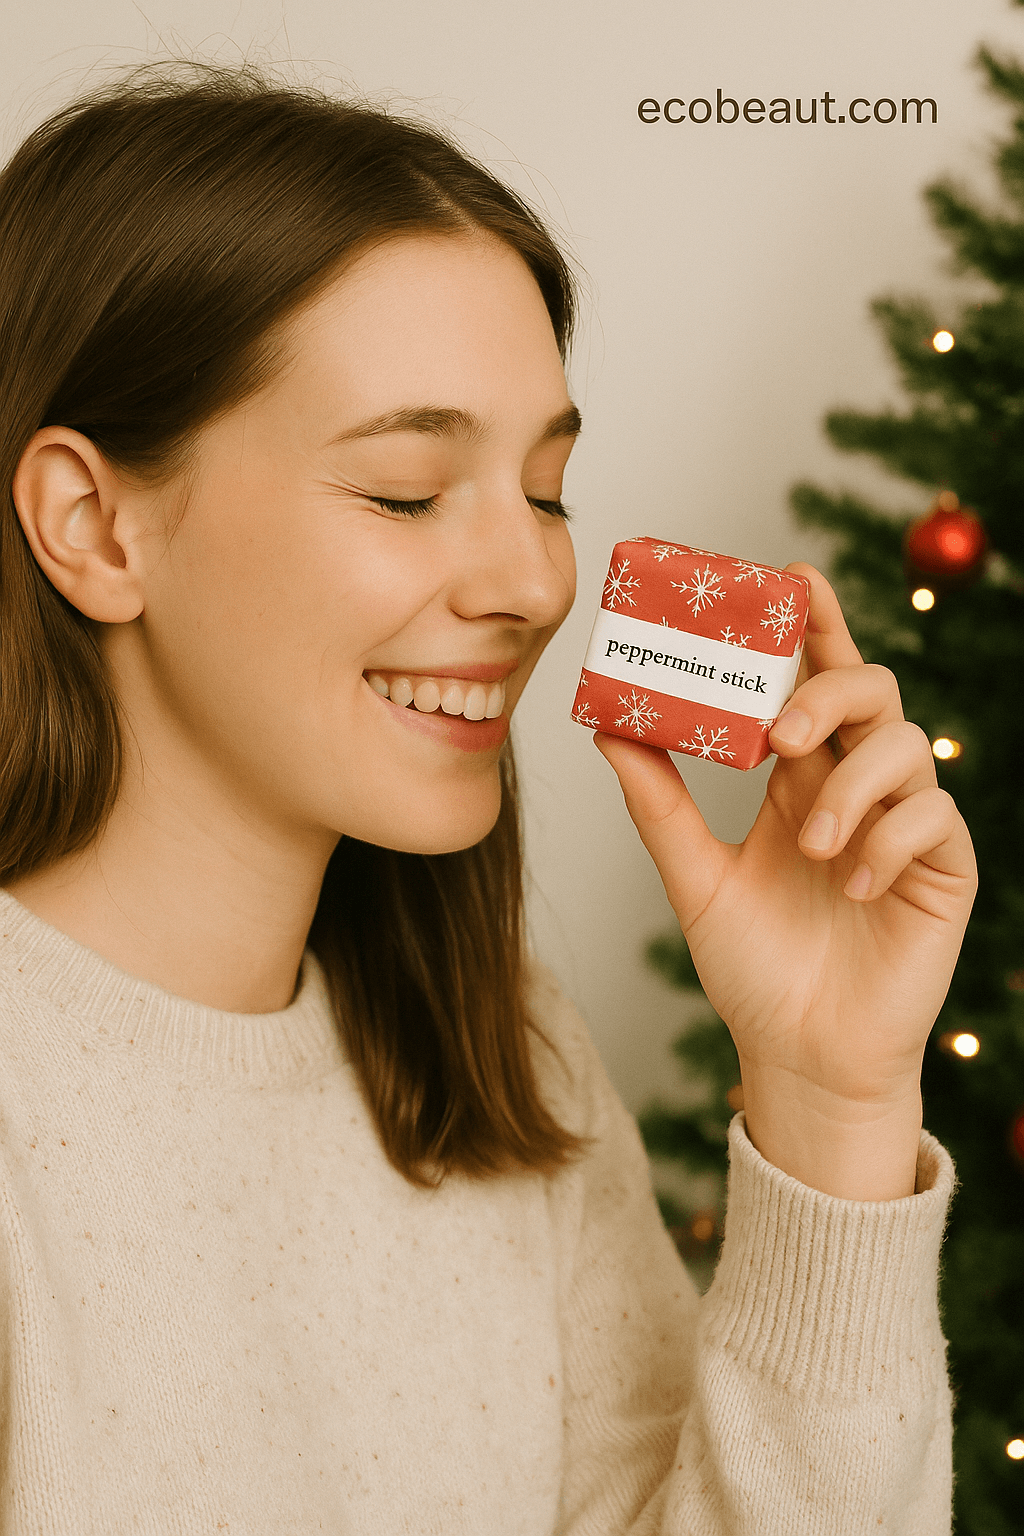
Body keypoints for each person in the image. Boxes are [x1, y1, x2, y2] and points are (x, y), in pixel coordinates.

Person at [0, 59, 974, 1535]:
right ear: (94, 525)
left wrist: (833, 1096)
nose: (532, 585)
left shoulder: (511, 1061)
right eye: (405, 490)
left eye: (545, 488)